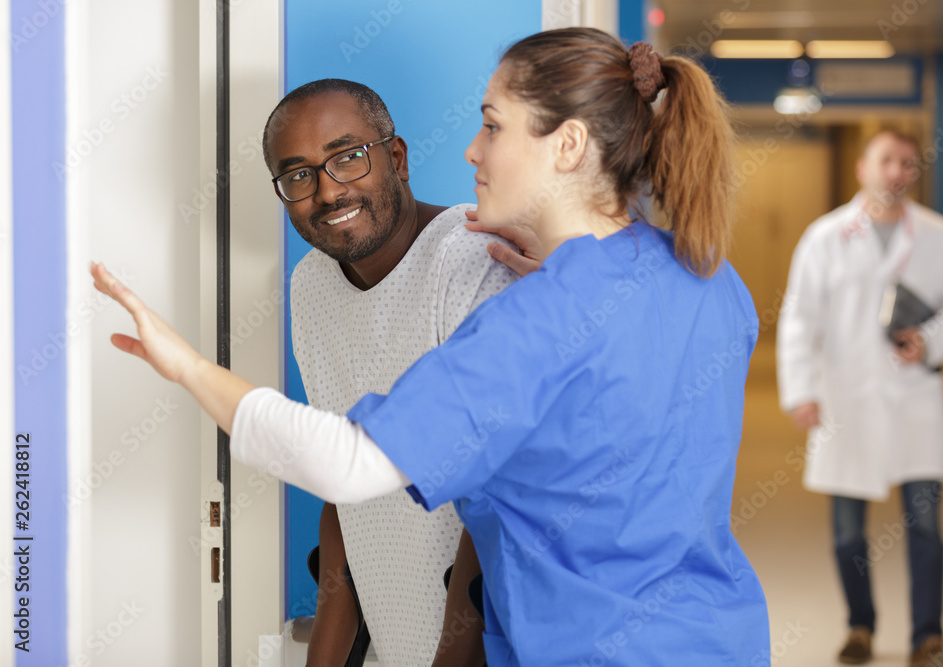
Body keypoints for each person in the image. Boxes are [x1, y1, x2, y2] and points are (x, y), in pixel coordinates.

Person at [92, 27, 770, 665]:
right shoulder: (710, 279)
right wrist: (574, 282)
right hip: (721, 637)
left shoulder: (535, 320)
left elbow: (346, 463)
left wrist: (187, 366)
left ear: (567, 146)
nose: (473, 149)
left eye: (493, 124)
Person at [262, 79, 524, 667]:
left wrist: (450, 657)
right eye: (298, 174)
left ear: (397, 159)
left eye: (347, 157)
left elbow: (495, 499)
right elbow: (342, 479)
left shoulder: (470, 263)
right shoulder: (310, 287)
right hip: (395, 639)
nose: (327, 190)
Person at [777, 130, 943, 667]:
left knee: (927, 529)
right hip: (844, 402)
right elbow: (799, 319)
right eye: (886, 160)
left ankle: (927, 637)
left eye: (907, 163)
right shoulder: (824, 238)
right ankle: (861, 627)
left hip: (915, 401)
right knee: (847, 532)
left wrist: (930, 340)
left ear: (915, 173)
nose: (896, 172)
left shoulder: (942, 238)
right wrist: (800, 390)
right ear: (863, 169)